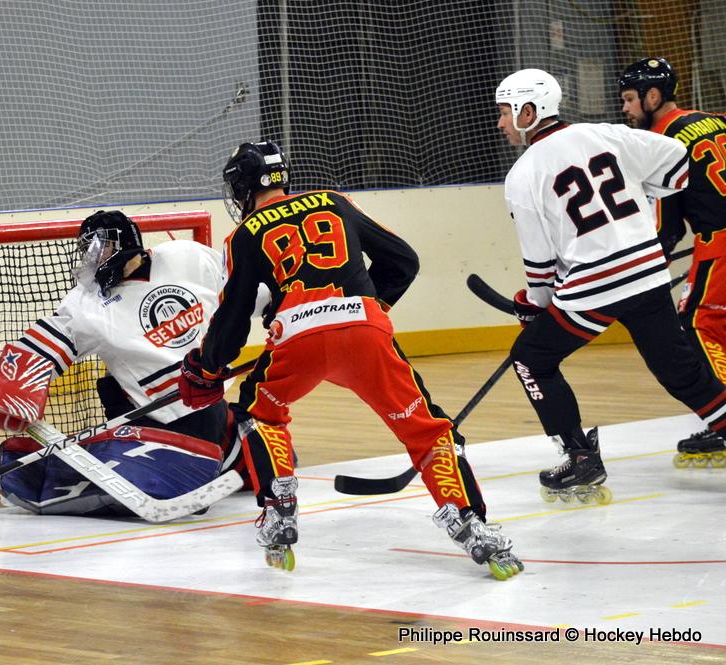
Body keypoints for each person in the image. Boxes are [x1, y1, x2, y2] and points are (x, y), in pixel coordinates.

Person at [178, 140, 523, 579]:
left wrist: (207, 366)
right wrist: (369, 307)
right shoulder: (336, 202)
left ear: (243, 187)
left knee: (257, 413)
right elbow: (404, 262)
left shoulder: (243, 235)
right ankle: (472, 523)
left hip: (297, 335)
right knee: (427, 429)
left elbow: (232, 316)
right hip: (365, 330)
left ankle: (279, 507)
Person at [494, 68, 726, 503]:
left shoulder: (524, 174)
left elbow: (540, 263)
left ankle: (580, 458)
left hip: (596, 288)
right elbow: (678, 161)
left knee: (530, 359)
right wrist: (647, 191)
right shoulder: (607, 134)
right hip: (647, 271)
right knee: (680, 372)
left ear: (529, 110)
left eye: (505, 112)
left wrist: (535, 305)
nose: (501, 122)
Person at [0, 209, 249, 515]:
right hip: (151, 419)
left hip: (207, 402)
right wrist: (16, 392)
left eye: (99, 247)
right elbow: (46, 343)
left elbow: (244, 287)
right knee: (112, 387)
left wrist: (282, 314)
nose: (93, 257)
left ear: (123, 243)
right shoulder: (88, 301)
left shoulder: (186, 256)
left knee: (253, 451)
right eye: (88, 250)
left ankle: (218, 452)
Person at [619, 57, 726, 467]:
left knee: (699, 323)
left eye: (630, 99)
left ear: (653, 96)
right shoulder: (713, 119)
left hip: (719, 244)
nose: (625, 109)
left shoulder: (662, 142)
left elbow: (667, 230)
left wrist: (643, 267)